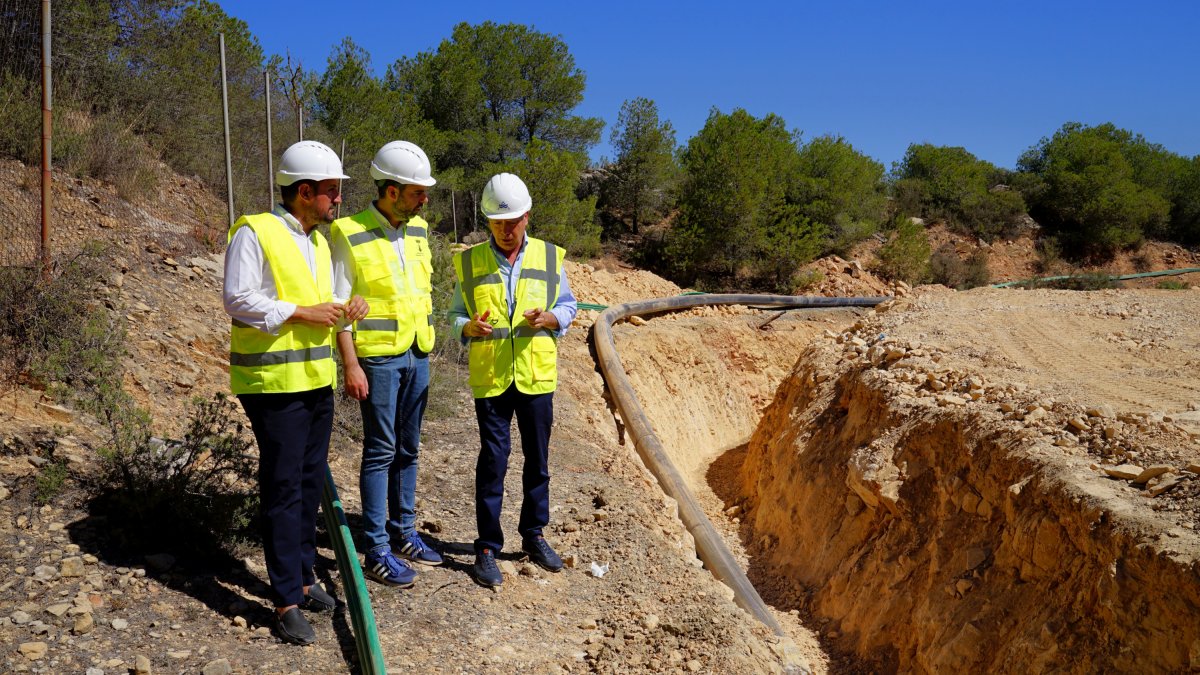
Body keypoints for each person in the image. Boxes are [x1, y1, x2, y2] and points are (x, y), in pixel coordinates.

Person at [223, 140, 368, 645]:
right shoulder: (255, 231)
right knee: (284, 488)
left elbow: (325, 303)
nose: (338, 199)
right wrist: (301, 312)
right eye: (331, 191)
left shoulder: (319, 243)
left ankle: (304, 578)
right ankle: (285, 599)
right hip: (272, 385)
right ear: (305, 192)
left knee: (309, 484)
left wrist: (347, 307)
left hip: (313, 380)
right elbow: (237, 299)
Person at [449, 172, 578, 587]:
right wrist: (467, 327)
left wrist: (551, 318)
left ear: (527, 216)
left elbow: (569, 306)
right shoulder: (469, 262)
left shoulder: (549, 257)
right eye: (497, 222)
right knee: (493, 462)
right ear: (487, 221)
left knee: (537, 461)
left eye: (513, 221)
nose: (506, 230)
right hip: (491, 378)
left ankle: (533, 535)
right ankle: (487, 547)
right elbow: (453, 315)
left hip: (535, 377)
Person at [330, 141, 441, 588]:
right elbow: (340, 307)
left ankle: (404, 533)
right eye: (417, 192)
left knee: (409, 448)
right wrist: (350, 364)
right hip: (377, 360)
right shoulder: (349, 232)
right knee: (381, 450)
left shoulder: (419, 231)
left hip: (417, 352)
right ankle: (376, 548)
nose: (424, 199)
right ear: (391, 191)